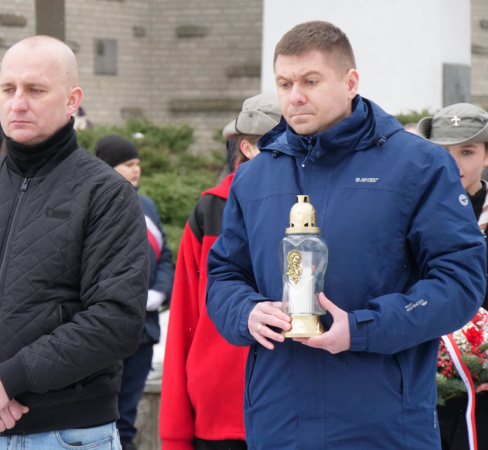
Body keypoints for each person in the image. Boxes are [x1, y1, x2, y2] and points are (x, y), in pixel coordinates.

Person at [205, 21, 486, 449]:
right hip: (278, 424)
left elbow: (460, 282)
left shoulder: (419, 165)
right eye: (284, 83)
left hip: (383, 426)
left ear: (351, 82)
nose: (295, 96)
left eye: (310, 81)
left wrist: (361, 328)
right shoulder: (254, 177)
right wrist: (245, 312)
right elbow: (224, 276)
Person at [0, 35, 149, 449]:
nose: (17, 103)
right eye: (8, 89)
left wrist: (7, 379)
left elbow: (116, 319)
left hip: (69, 435)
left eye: (35, 90)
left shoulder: (106, 194)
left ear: (72, 101)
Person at [160, 92, 281, 450]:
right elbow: (184, 320)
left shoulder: (321, 203)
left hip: (288, 411)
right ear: (246, 148)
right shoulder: (210, 209)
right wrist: (174, 434)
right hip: (220, 413)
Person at [94, 134, 174, 450]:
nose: (136, 170)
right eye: (128, 164)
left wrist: (159, 292)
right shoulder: (95, 204)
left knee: (127, 417)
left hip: (144, 330)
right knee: (104, 417)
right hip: (106, 331)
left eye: (138, 163)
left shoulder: (147, 207)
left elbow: (165, 256)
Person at [418, 103, 488, 450]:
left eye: (467, 151)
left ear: (486, 155)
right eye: (443, 152)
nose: (454, 164)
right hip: (424, 375)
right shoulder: (410, 214)